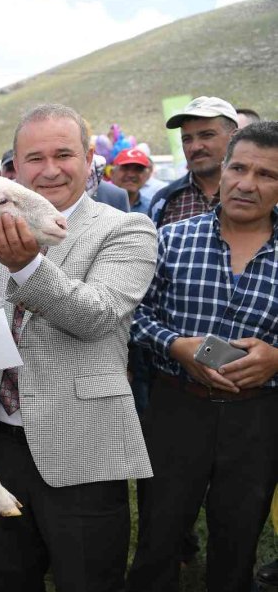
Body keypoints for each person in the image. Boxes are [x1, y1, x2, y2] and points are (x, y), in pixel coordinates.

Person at [0, 104, 156, 591]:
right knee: (10, 579)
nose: (49, 169)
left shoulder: (126, 229)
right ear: (15, 168)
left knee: (89, 580)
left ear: (90, 159)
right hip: (0, 444)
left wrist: (27, 266)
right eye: (35, 158)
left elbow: (95, 316)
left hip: (84, 445)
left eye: (64, 154)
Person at [128, 121, 278, 592]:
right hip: (177, 407)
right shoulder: (171, 239)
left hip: (258, 417)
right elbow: (131, 315)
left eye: (267, 174)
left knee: (238, 536)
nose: (247, 184)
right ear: (223, 169)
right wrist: (176, 346)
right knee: (159, 532)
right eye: (239, 168)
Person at [149, 96, 238, 227]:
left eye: (207, 135)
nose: (195, 147)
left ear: (234, 137)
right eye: (187, 139)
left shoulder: (256, 192)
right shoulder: (164, 200)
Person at [111, 148, 154, 215]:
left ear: (147, 176)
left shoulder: (152, 210)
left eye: (138, 169)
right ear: (112, 173)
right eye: (125, 168)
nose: (131, 175)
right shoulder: (98, 205)